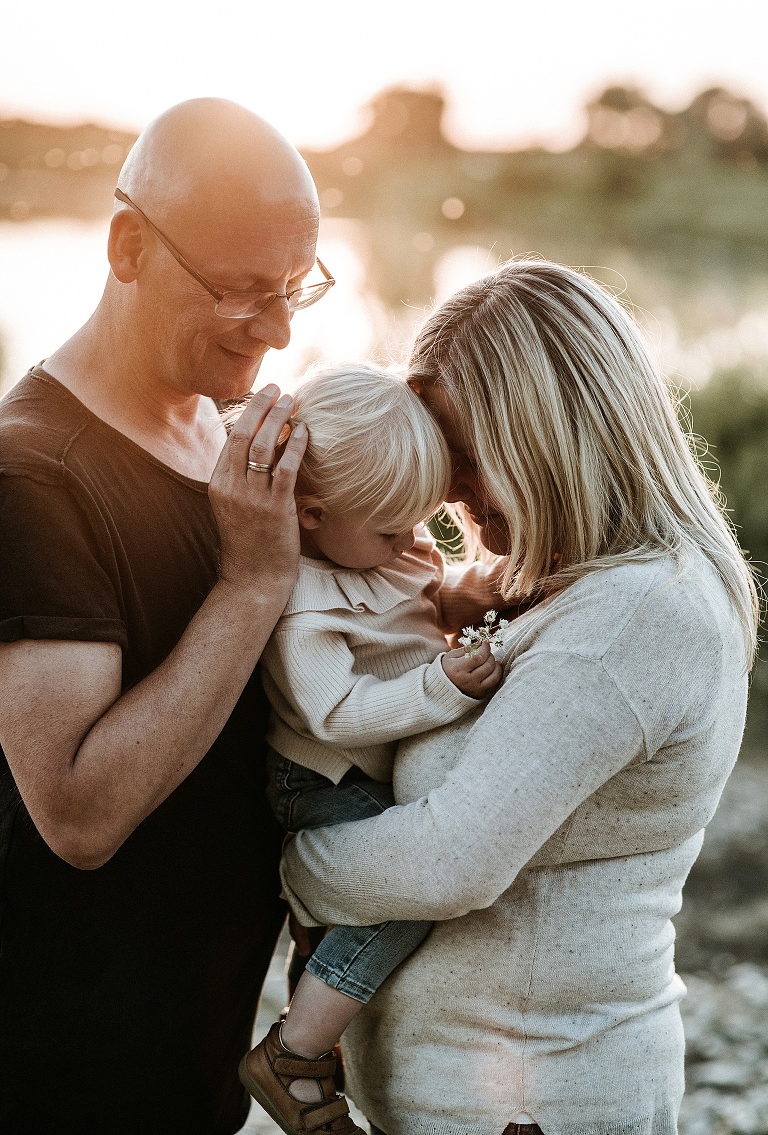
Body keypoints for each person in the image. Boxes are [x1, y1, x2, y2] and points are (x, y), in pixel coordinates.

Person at [279, 260, 760, 1135]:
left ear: (550, 438)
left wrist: (277, 859)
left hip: (539, 1101)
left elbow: (447, 862)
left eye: (464, 459)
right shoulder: (551, 585)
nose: (447, 497)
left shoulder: (637, 613)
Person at [0, 98, 332, 1135]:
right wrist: (249, 584)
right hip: (68, 1066)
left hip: (195, 1045)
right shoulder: (32, 474)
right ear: (128, 244)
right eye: (241, 291)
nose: (277, 331)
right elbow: (77, 814)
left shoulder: (216, 433)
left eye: (294, 290)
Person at [237, 363, 509, 1134]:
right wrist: (443, 687)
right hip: (325, 773)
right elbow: (337, 710)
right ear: (314, 514)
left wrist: (460, 598)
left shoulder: (382, 548)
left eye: (421, 524)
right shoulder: (304, 603)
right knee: (405, 896)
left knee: (344, 920)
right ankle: (291, 1052)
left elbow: (415, 603)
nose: (413, 543)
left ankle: (319, 1042)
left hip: (359, 765)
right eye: (395, 530)